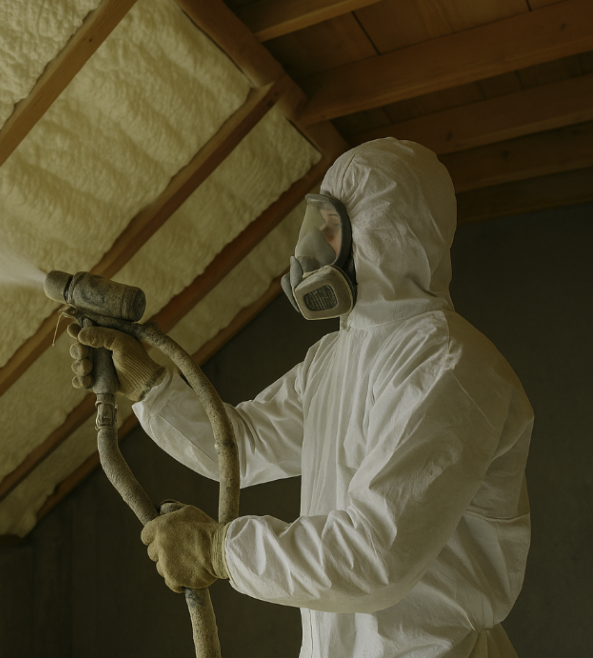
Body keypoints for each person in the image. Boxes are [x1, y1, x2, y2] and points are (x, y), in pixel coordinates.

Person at [68, 138, 532, 657]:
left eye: (330, 229)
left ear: (384, 235)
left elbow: (374, 554)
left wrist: (221, 550)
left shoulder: (447, 364)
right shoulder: (334, 359)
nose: (310, 248)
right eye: (316, 226)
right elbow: (239, 445)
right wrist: (149, 386)